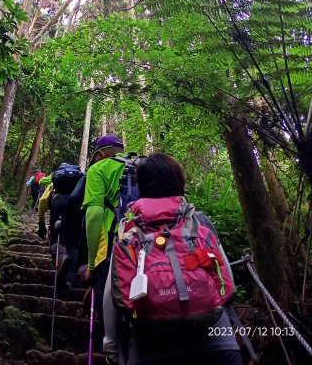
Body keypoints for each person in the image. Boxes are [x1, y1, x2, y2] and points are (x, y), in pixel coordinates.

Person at [102, 152, 242, 365]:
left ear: (142, 185)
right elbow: (226, 278)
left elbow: (112, 291)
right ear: (179, 181)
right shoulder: (198, 221)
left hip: (150, 347)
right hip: (216, 343)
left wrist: (110, 344)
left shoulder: (129, 228)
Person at [82, 134, 129, 315]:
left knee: (108, 305)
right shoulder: (142, 164)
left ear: (100, 154)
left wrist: (92, 265)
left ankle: (109, 341)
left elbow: (94, 216)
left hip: (113, 243)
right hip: (148, 243)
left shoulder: (98, 169)